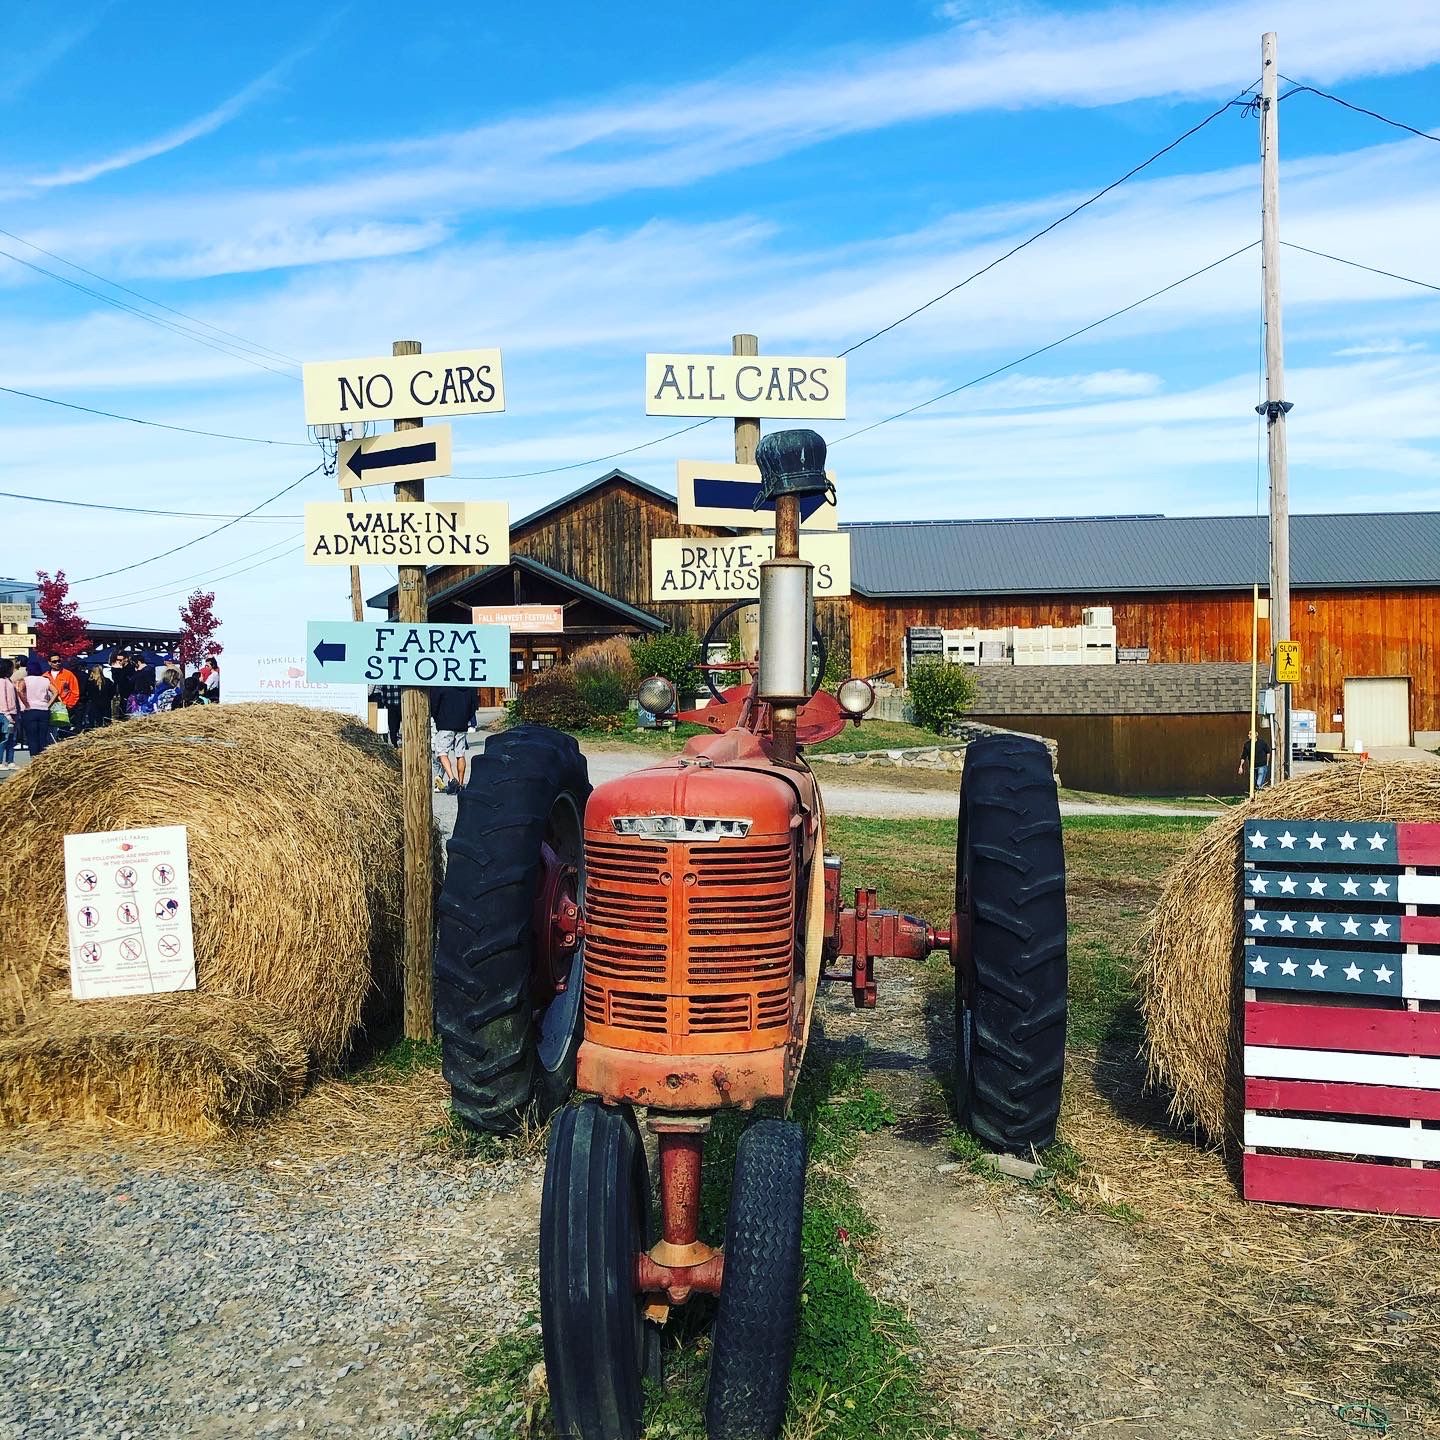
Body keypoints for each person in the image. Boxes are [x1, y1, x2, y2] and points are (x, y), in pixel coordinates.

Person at [429, 685, 476, 796]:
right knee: (460, 754)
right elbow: (473, 706)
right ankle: (460, 783)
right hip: (462, 723)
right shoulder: (469, 686)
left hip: (445, 722)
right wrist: (467, 718)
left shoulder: (441, 685)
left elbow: (434, 704)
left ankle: (451, 778)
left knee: (442, 752)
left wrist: (436, 717)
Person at [19, 657, 55, 759]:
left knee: (32, 736)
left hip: (30, 710)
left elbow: (20, 690)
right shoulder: (45, 680)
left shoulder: (25, 680)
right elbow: (56, 692)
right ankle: (42, 758)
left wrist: (26, 703)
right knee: (42, 736)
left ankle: (33, 758)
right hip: (44, 710)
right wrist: (49, 704)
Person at [45, 653, 79, 733]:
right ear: (49, 663)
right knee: (50, 731)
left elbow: (75, 692)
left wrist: (68, 705)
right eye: (54, 661)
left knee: (63, 731)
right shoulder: (45, 676)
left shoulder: (69, 675)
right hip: (49, 707)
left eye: (59, 661)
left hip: (64, 708)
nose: (57, 663)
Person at [0, 658, 18, 770]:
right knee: (4, 737)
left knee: (12, 738)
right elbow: (2, 699)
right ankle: (1, 761)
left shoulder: (9, 680)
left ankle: (10, 760)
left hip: (13, 712)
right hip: (5, 713)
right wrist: (7, 715)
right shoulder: (2, 681)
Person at [85, 664, 114, 729]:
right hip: (106, 704)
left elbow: (88, 694)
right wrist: (109, 698)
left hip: (94, 704)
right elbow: (112, 692)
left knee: (97, 723)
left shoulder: (90, 682)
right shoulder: (108, 681)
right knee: (107, 723)